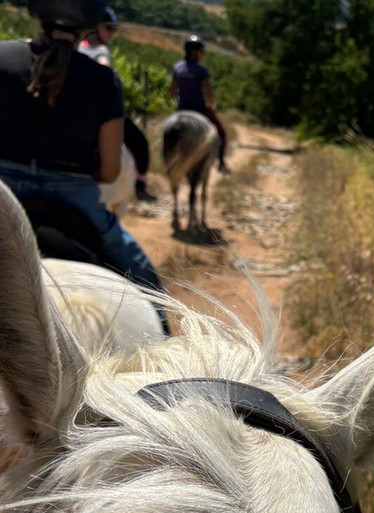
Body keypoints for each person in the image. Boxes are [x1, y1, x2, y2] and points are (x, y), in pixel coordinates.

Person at [0, 0, 167, 323]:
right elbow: (109, 172)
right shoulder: (103, 81)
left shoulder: (1, 56)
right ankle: (166, 335)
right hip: (75, 197)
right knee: (144, 278)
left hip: (3, 191)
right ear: (88, 27)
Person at [78, 6, 156, 202]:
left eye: (114, 29)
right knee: (140, 142)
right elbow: (104, 69)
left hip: (75, 109)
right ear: (96, 28)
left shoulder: (77, 46)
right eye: (109, 28)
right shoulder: (101, 50)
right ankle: (140, 182)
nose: (112, 33)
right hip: (103, 112)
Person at [171, 36, 229, 173]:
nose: (202, 55)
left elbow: (172, 91)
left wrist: (182, 97)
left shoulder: (177, 67)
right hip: (199, 109)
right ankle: (221, 163)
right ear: (196, 52)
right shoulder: (201, 71)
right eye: (202, 52)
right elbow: (209, 92)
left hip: (182, 109)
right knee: (221, 133)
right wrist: (212, 105)